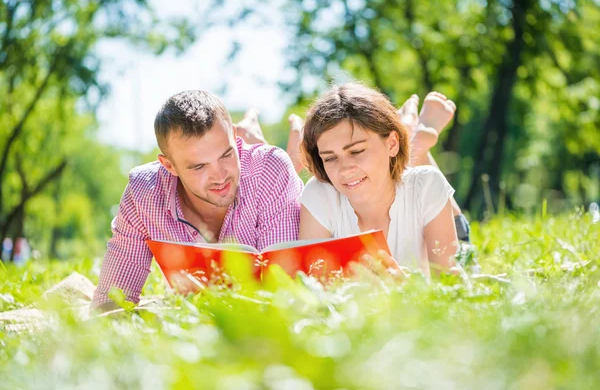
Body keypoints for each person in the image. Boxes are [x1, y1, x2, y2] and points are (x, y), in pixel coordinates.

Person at [91, 90, 303, 311]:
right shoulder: (144, 192)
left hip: (264, 174)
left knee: (277, 166)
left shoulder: (271, 169)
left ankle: (251, 134)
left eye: (226, 154)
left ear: (233, 136)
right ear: (169, 166)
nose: (220, 176)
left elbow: (282, 290)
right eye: (199, 166)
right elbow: (111, 300)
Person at [298, 83, 459, 276]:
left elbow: (451, 287)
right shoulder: (319, 194)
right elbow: (311, 287)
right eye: (330, 158)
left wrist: (404, 290)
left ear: (392, 144)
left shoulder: (426, 185)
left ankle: (418, 143)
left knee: (465, 247)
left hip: (435, 207)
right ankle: (415, 141)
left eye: (356, 151)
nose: (345, 169)